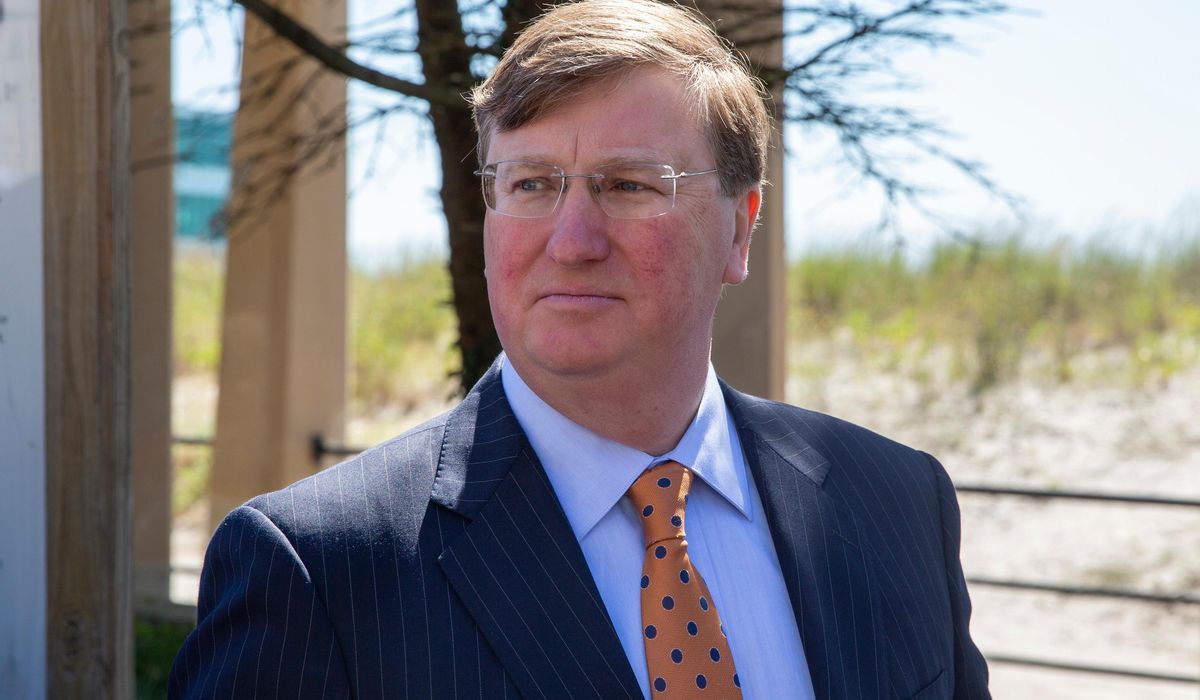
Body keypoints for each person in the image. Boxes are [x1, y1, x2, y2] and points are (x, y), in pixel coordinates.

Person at [169, 1, 990, 698]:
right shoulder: (321, 569)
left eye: (629, 185)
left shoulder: (897, 504)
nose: (571, 241)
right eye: (530, 184)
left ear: (740, 230)